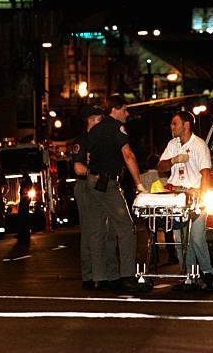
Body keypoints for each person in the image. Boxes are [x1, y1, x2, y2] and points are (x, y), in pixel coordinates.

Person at [86, 94, 148, 292]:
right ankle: (127, 276)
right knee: (127, 229)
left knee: (97, 231)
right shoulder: (116, 128)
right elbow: (128, 155)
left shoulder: (95, 129)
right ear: (115, 110)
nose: (127, 114)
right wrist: (139, 184)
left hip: (92, 182)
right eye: (125, 110)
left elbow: (88, 156)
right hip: (107, 183)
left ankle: (99, 278)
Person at [158, 111, 213, 292]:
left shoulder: (199, 145)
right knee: (180, 240)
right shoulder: (172, 144)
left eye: (175, 123)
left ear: (186, 125)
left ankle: (207, 275)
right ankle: (188, 278)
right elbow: (160, 166)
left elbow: (206, 173)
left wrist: (202, 198)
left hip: (194, 196)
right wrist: (174, 160)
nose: (171, 127)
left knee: (196, 238)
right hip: (176, 197)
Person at [72, 104, 119, 290]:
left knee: (108, 231)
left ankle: (108, 274)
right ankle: (90, 276)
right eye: (100, 119)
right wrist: (96, 171)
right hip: (86, 184)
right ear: (91, 120)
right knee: (91, 231)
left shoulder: (101, 138)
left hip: (102, 183)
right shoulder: (83, 140)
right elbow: (78, 168)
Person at [140, 154, 178, 265]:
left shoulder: (142, 177)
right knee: (168, 234)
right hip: (164, 212)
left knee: (152, 235)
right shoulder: (163, 178)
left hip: (150, 213)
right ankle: (171, 256)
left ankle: (154, 257)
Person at [17, 170, 33, 243]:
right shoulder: (26, 179)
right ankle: (24, 232)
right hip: (24, 198)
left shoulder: (26, 179)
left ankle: (24, 232)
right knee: (24, 215)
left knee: (23, 215)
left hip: (24, 199)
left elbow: (27, 187)